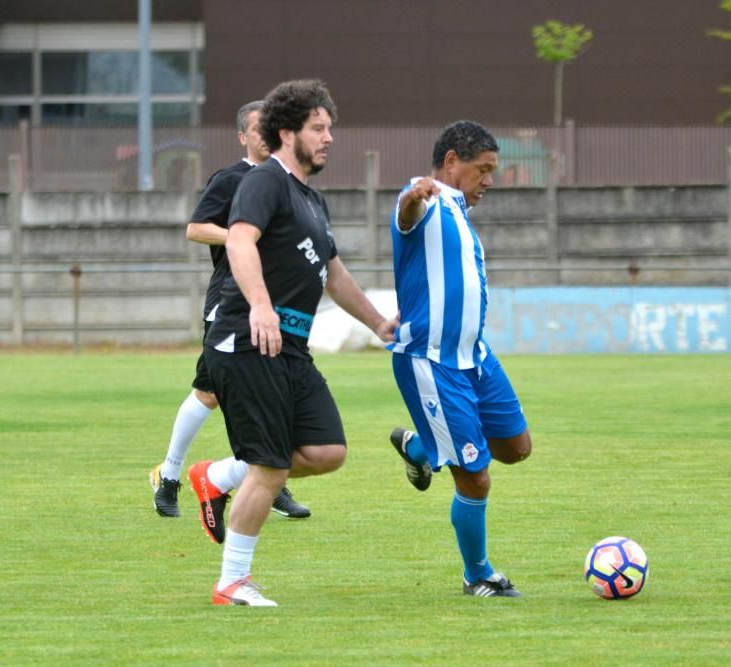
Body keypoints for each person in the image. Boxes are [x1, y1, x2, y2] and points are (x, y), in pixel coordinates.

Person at [188, 79, 397, 606]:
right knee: (273, 466)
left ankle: (217, 474)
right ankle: (231, 581)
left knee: (328, 451)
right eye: (318, 128)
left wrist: (379, 324)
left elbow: (333, 273)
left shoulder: (310, 197)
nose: (329, 138)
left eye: (330, 128)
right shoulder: (265, 180)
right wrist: (259, 304)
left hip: (291, 348)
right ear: (287, 132)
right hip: (247, 339)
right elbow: (237, 239)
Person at [387, 121, 532, 598]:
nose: (490, 179)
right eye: (483, 169)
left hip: (476, 357)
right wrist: (416, 195)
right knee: (475, 478)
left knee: (516, 448)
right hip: (434, 362)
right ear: (452, 161)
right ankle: (478, 575)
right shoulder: (423, 199)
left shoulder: (461, 215)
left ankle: (420, 450)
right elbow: (408, 212)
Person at [150, 101, 311, 521]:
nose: (266, 135)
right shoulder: (231, 179)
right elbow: (196, 227)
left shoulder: (289, 182)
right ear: (242, 136)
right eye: (258, 129)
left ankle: (269, 479)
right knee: (212, 393)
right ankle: (169, 476)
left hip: (275, 304)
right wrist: (243, 236)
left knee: (279, 388)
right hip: (230, 303)